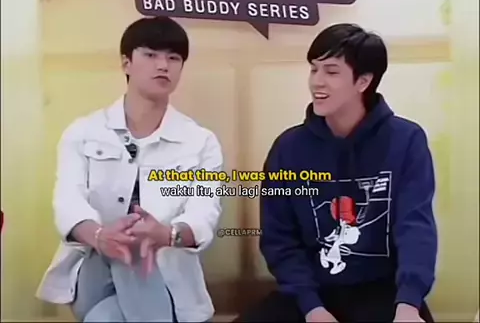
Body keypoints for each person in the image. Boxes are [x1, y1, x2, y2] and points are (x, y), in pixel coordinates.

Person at [236, 23, 437, 323]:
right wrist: (312, 309)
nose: (317, 82)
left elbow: (415, 227)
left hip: (384, 292)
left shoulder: (406, 140)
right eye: (313, 69)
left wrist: (408, 303)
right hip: (310, 294)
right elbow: (279, 239)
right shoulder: (288, 148)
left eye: (331, 72)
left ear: (363, 81)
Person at [36, 16, 223, 322]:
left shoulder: (200, 141)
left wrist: (166, 234)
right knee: (129, 247)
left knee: (104, 317)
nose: (163, 65)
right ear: (126, 63)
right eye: (150, 55)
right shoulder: (84, 132)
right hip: (94, 269)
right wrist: (101, 236)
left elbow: (204, 212)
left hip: (166, 279)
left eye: (173, 58)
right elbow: (67, 202)